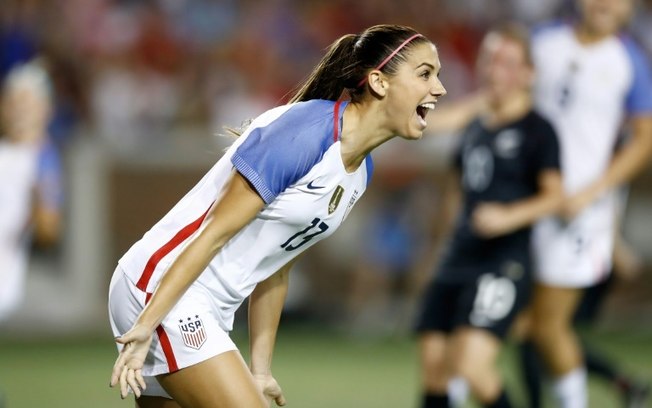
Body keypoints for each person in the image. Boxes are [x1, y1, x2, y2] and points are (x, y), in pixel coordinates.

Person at [108, 24, 447, 407]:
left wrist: (260, 370)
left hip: (198, 303)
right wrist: (146, 324)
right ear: (379, 82)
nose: (439, 88)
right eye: (425, 74)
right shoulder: (304, 133)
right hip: (163, 287)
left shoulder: (360, 171)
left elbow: (277, 266)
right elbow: (211, 234)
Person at [415, 23, 563, 408]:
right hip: (459, 254)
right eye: (489, 60)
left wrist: (509, 215)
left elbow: (555, 196)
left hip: (502, 261)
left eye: (507, 62)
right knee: (434, 366)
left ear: (528, 74)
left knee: (471, 366)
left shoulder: (538, 130)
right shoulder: (475, 125)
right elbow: (456, 187)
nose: (494, 69)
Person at [527, 0, 652, 406]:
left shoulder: (628, 60)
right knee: (519, 324)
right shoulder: (542, 42)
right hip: (523, 201)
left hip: (577, 212)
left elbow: (644, 141)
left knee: (545, 326)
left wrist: (591, 194)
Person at [0, 59, 63, 323]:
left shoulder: (43, 160)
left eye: (28, 103)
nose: (19, 112)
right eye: (14, 102)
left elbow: (49, 229)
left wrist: (38, 198)